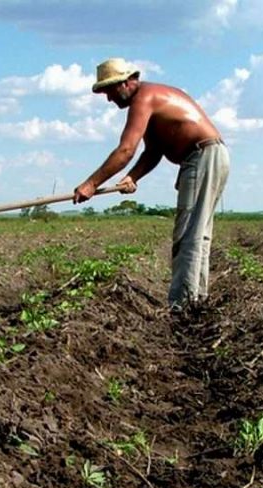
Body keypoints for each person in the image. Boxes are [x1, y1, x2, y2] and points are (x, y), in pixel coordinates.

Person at [74, 58, 230, 311]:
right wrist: (133, 176)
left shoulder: (143, 98)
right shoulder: (151, 97)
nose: (109, 99)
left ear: (126, 83)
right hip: (208, 155)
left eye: (110, 91)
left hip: (202, 156)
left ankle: (182, 306)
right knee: (197, 234)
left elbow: (126, 150)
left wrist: (91, 184)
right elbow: (153, 150)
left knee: (188, 234)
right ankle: (195, 301)